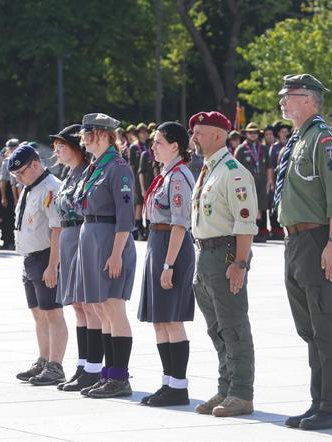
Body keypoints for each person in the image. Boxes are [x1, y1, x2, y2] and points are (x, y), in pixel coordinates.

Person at [273, 74, 332, 431]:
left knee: (325, 325)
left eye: (290, 95)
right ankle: (318, 401)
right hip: (295, 241)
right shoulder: (298, 139)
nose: (283, 101)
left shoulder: (323, 139)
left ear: (310, 100)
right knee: (309, 329)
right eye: (283, 95)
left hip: (317, 238)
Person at [190, 110, 257, 417]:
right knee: (216, 329)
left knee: (234, 326)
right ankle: (226, 387)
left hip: (226, 255)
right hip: (205, 255)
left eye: (200, 132)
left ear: (219, 135)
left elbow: (245, 224)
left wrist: (240, 264)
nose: (194, 138)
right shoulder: (208, 170)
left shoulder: (233, 172)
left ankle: (242, 393)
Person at [73, 113, 136, 398]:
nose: (85, 138)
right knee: (99, 309)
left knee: (113, 308)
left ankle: (120, 377)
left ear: (107, 135)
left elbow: (125, 216)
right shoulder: (96, 166)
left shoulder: (118, 167)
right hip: (92, 236)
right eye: (85, 133)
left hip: (110, 239)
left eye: (91, 133)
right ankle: (109, 374)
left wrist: (116, 253)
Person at [138, 122, 195, 407]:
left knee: (172, 319)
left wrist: (169, 265)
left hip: (172, 248)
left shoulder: (178, 177)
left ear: (175, 146)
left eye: (159, 142)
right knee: (160, 320)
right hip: (158, 245)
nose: (153, 146)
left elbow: (180, 224)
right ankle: (167, 382)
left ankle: (179, 385)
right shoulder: (165, 174)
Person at [50, 124, 103, 392]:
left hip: (82, 236)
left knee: (90, 305)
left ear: (76, 149)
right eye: (55, 145)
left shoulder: (87, 172)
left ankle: (94, 367)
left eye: (62, 145)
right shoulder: (68, 173)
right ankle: (83, 365)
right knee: (78, 307)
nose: (57, 150)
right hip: (69, 239)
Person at [10, 144, 68, 386]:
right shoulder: (30, 187)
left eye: (21, 172)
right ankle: (43, 359)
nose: (19, 178)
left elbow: (57, 229)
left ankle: (56, 365)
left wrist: (53, 265)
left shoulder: (51, 187)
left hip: (45, 257)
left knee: (53, 312)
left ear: (35, 164)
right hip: (30, 257)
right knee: (38, 313)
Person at [235, 122, 273, 242]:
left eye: (255, 133)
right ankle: (251, 233)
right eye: (250, 133)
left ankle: (261, 231)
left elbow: (269, 166)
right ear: (246, 134)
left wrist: (270, 180)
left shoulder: (264, 148)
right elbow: (235, 169)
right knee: (249, 206)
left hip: (262, 181)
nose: (253, 135)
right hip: (247, 182)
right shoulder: (241, 149)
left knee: (261, 206)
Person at [0, 138, 20, 250]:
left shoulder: (22, 159)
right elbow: (2, 181)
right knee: (7, 218)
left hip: (20, 187)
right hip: (8, 190)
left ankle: (16, 241)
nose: (13, 149)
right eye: (11, 147)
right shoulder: (6, 162)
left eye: (15, 146)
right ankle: (7, 241)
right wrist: (3, 197)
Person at [129, 123, 149, 240]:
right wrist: (132, 181)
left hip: (147, 177)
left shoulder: (147, 146)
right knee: (138, 204)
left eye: (145, 132)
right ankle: (138, 229)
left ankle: (145, 227)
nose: (144, 134)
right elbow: (131, 166)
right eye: (141, 132)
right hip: (137, 178)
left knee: (145, 203)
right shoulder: (134, 147)